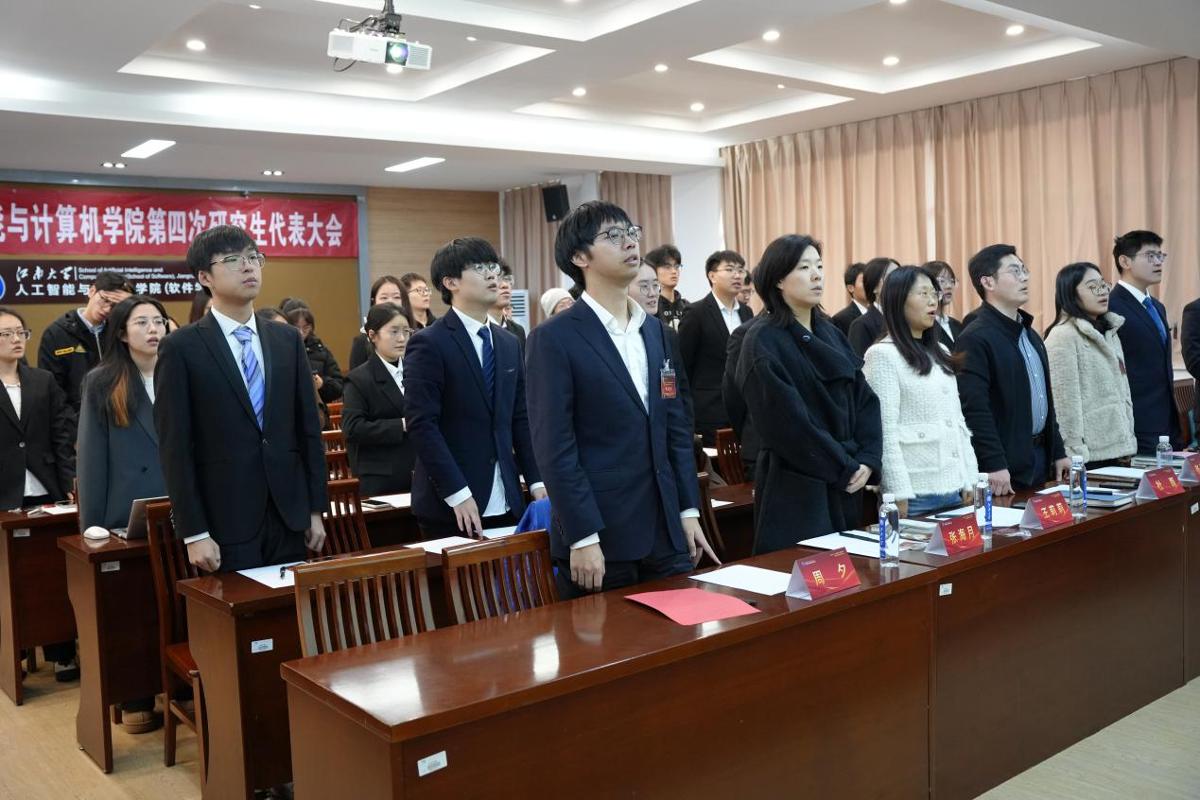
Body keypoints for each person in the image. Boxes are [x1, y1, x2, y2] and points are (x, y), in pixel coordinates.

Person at [527, 201, 717, 598]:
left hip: (667, 531)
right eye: (613, 236)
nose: (630, 242)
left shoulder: (658, 332)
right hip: (601, 538)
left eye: (632, 233)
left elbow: (676, 429)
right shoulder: (554, 338)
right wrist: (582, 535)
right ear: (580, 257)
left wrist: (688, 509)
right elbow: (555, 446)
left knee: (683, 631)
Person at [155, 225, 327, 574]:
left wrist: (314, 508)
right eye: (233, 260)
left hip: (289, 514)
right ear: (205, 277)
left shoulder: (287, 340)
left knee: (289, 604)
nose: (248, 266)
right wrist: (194, 532)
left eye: (253, 257)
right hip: (225, 519)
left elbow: (307, 429)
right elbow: (176, 447)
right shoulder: (181, 347)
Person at [733, 235, 881, 554]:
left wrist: (868, 459)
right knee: (805, 572)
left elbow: (865, 399)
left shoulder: (830, 332)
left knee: (849, 572)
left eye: (819, 266)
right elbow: (789, 426)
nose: (816, 275)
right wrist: (843, 466)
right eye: (803, 268)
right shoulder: (762, 340)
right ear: (778, 280)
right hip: (798, 484)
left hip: (847, 478)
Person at [403, 237, 544, 537]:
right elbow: (422, 425)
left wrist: (536, 480)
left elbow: (520, 418)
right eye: (479, 268)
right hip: (452, 503)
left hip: (507, 497)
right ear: (450, 282)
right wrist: (456, 492)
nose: (492, 274)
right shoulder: (429, 343)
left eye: (493, 266)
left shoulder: (508, 343)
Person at [76, 295, 169, 733]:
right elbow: (91, 458)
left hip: (179, 506)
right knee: (135, 607)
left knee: (180, 602)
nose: (153, 329)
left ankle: (180, 687)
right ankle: (137, 696)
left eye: (159, 321)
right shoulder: (103, 380)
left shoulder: (178, 372)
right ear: (122, 333)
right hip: (125, 512)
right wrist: (92, 523)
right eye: (142, 322)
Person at [0, 306, 78, 681]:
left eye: (21, 332)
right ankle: (11, 652)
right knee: (10, 580)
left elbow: (61, 436)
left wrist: (70, 485)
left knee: (51, 575)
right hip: (4, 496)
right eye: (6, 334)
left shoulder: (42, 380)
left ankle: (62, 651)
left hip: (46, 492)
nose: (17, 339)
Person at [955, 244, 1070, 495]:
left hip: (1041, 456)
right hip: (1005, 466)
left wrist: (1058, 451)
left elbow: (1045, 400)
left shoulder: (1030, 334)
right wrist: (993, 463)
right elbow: (974, 409)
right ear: (988, 282)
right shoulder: (975, 337)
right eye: (1014, 271)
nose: (1025, 277)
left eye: (1024, 270)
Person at [862, 267, 977, 516]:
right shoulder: (882, 355)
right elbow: (884, 430)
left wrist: (970, 477)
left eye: (934, 293)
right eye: (923, 293)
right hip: (915, 495)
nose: (932, 301)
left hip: (955, 487)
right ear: (898, 300)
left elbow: (958, 422)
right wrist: (897, 491)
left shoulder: (941, 352)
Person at [1043, 263, 1137, 468]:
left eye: (1103, 285)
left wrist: (1127, 438)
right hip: (1086, 455)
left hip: (1117, 447)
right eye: (1093, 287)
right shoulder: (1063, 336)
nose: (1102, 292)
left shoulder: (1109, 331)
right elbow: (1063, 402)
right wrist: (1072, 452)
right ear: (1071, 293)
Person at [1107, 230, 1180, 453]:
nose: (1158, 262)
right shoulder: (1111, 306)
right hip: (1135, 422)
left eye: (1160, 256)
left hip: (1166, 420)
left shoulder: (1157, 306)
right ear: (1125, 261)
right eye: (1150, 256)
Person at [678, 250, 753, 443]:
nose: (737, 275)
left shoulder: (747, 312)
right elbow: (683, 364)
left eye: (740, 270)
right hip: (709, 410)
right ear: (712, 276)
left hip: (744, 408)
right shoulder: (696, 312)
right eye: (730, 269)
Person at [342, 303, 417, 495]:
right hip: (382, 478)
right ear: (373, 335)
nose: (402, 338)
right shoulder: (359, 379)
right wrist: (401, 425)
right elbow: (353, 428)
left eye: (406, 331)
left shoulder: (417, 371)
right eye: (394, 332)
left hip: (420, 470)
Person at [37, 270, 133, 417]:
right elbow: (52, 391)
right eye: (105, 300)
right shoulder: (57, 333)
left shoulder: (120, 332)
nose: (107, 309)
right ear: (92, 291)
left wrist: (132, 304)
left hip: (118, 418)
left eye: (115, 306)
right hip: (76, 421)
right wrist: (73, 426)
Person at [628, 260, 693, 426]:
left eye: (656, 285)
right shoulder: (615, 335)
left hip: (666, 428)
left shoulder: (665, 334)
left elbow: (678, 391)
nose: (652, 293)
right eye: (644, 286)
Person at [723, 268, 767, 481]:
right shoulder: (746, 334)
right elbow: (734, 397)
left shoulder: (825, 329)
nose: (815, 276)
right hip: (763, 448)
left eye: (819, 266)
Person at [286, 306, 345, 404]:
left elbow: (339, 387)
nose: (301, 332)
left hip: (317, 407)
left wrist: (322, 384)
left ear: (312, 327)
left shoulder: (321, 351)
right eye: (296, 328)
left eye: (306, 327)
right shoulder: (282, 350)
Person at [348, 275, 406, 371]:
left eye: (396, 297)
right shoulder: (362, 341)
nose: (390, 302)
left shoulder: (413, 335)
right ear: (373, 301)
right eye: (384, 297)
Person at [847, 257, 899, 356]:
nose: (899, 282)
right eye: (891, 277)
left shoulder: (907, 320)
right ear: (874, 287)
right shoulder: (861, 325)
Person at [645, 244, 688, 330]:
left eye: (676, 266)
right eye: (667, 267)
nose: (674, 271)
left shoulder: (687, 307)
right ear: (653, 270)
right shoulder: (650, 307)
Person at [923, 260, 964, 346]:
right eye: (942, 281)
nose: (949, 286)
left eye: (952, 281)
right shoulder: (923, 324)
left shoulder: (957, 325)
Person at [491, 262, 527, 350]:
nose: (505, 285)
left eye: (507, 279)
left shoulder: (518, 331)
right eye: (498, 279)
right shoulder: (477, 329)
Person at [831, 262, 868, 336]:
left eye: (870, 280)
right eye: (864, 281)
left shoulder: (881, 314)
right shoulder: (840, 319)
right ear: (851, 288)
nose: (869, 284)